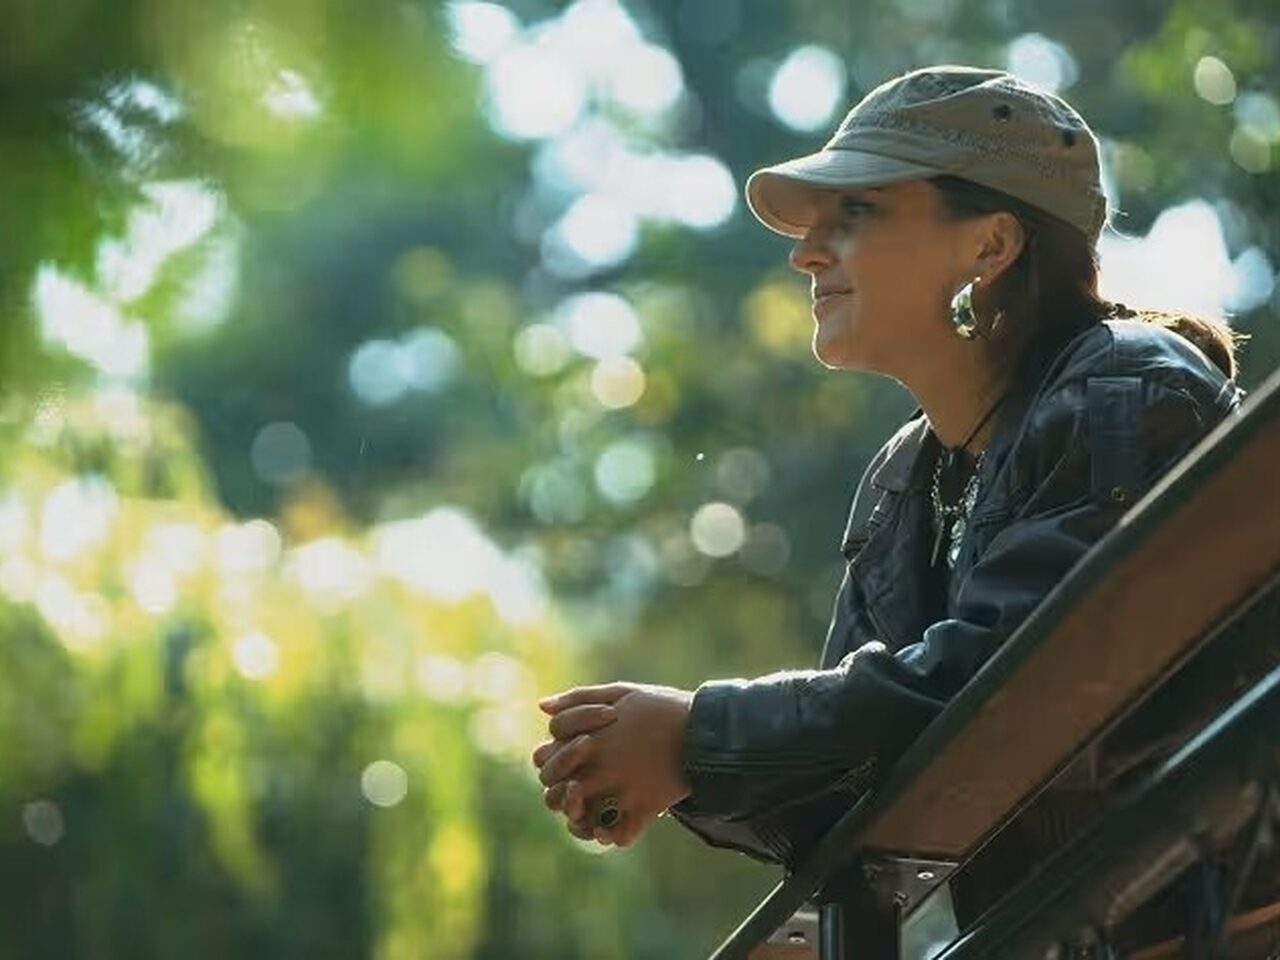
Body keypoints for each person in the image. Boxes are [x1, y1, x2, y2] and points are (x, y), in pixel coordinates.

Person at [529, 64, 1252, 941]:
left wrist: (698, 733)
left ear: (991, 246)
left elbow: (1020, 684)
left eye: (856, 212)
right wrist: (669, 763)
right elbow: (853, 798)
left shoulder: (1127, 390)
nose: (806, 253)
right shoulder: (903, 483)